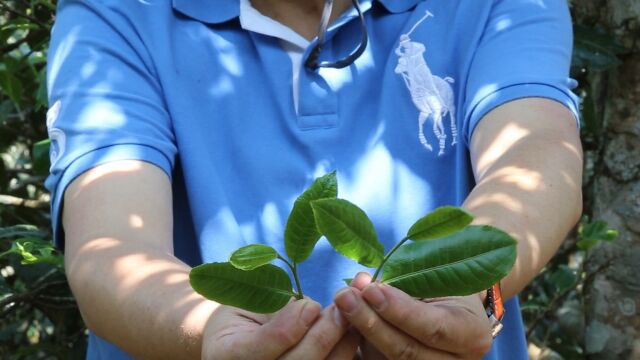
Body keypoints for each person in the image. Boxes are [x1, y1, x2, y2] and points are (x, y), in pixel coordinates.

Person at [45, 0, 583, 358]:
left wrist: (477, 296)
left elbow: (538, 161)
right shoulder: (117, 13)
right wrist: (209, 333)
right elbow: (111, 246)